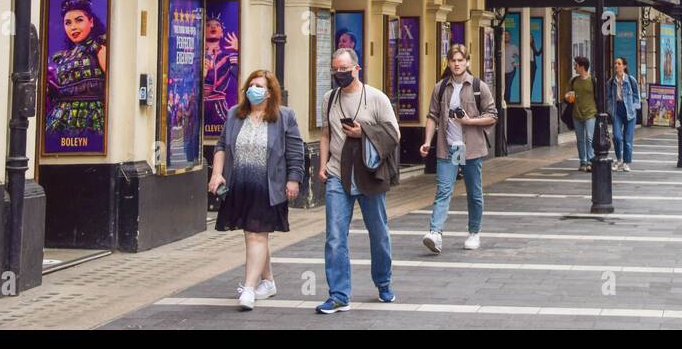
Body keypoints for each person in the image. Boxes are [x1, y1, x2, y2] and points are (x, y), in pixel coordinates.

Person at [208, 70, 304, 310]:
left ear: (270, 92)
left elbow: (295, 151)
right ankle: (268, 281)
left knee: (256, 235)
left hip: (268, 186)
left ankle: (249, 289)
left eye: (259, 86)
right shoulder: (234, 115)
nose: (254, 90)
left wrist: (294, 179)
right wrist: (217, 173)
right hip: (240, 183)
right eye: (251, 85)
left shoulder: (284, 117)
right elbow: (221, 145)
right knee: (253, 235)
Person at [317, 47, 400, 313]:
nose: (339, 74)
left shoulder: (376, 98)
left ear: (357, 68)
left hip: (370, 175)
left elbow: (393, 134)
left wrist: (362, 131)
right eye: (335, 69)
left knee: (378, 233)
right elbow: (325, 134)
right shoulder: (329, 99)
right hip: (337, 174)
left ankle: (383, 283)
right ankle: (339, 294)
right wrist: (321, 166)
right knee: (335, 237)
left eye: (344, 69)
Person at [419, 44, 498, 253]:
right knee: (444, 190)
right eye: (453, 60)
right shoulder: (440, 87)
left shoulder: (479, 86)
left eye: (460, 60)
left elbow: (492, 115)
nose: (456, 64)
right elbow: (432, 116)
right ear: (448, 62)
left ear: (467, 62)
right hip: (448, 148)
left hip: (471, 148)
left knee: (474, 192)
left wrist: (469, 121)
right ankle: (435, 233)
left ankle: (474, 232)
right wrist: (427, 141)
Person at [44, 0, 107, 149]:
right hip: (61, 117)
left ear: (91, 22)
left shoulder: (99, 49)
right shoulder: (63, 56)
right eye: (68, 23)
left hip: (91, 116)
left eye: (79, 20)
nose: (73, 27)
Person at [202, 13, 240, 129]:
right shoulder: (196, 56)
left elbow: (239, 75)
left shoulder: (228, 57)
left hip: (217, 104)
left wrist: (238, 50)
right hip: (197, 105)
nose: (213, 27)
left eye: (217, 25)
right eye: (208, 25)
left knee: (228, 131)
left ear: (222, 33)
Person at [563, 56, 597, 171]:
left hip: (590, 113)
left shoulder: (592, 81)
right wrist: (567, 97)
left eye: (576, 65)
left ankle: (590, 161)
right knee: (580, 139)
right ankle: (583, 161)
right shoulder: (573, 81)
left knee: (589, 137)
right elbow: (567, 95)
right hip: (576, 114)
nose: (574, 67)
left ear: (582, 67)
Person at [608, 57, 641, 170]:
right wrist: (610, 109)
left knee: (628, 139)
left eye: (619, 63)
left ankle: (626, 162)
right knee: (617, 137)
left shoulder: (631, 80)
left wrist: (635, 107)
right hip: (617, 110)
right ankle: (619, 159)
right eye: (615, 63)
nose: (616, 65)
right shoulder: (611, 81)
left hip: (629, 111)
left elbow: (637, 96)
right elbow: (608, 97)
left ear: (624, 66)